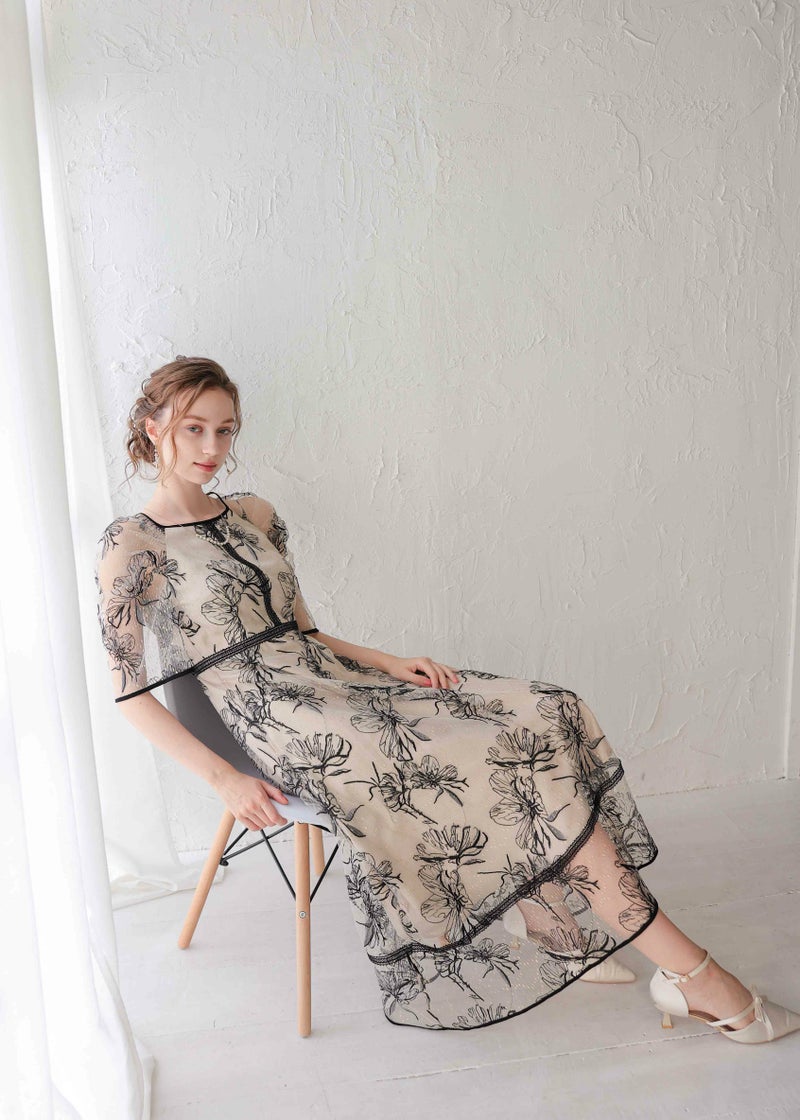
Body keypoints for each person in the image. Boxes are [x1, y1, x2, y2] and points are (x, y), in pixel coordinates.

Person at [93, 355, 800, 1040]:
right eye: (194, 429)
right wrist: (223, 778)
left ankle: (552, 913)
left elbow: (303, 631)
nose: (212, 448)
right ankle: (691, 974)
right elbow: (129, 694)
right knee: (463, 751)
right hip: (267, 720)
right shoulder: (133, 543)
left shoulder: (255, 511)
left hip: (333, 682)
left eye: (225, 430)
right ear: (154, 428)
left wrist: (388, 661)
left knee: (541, 709)